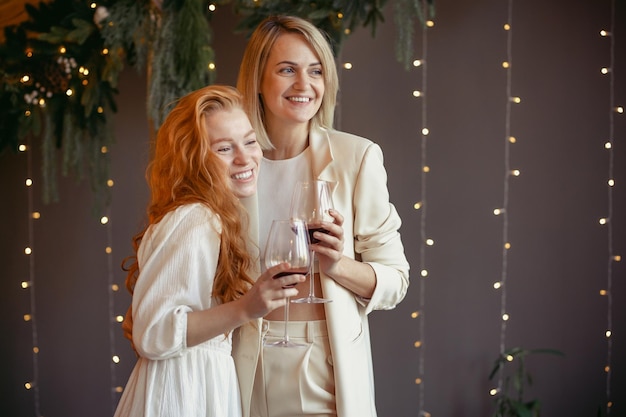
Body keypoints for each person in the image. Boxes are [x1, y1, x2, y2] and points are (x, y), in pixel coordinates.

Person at [233, 15, 411, 417]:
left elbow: (396, 279)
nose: (304, 85)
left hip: (320, 363)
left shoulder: (356, 157)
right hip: (237, 356)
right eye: (286, 70)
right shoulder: (230, 162)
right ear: (258, 79)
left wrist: (337, 264)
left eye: (315, 71)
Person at [114, 85, 306, 417]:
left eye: (248, 141)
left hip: (201, 384)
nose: (245, 158)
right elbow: (153, 334)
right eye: (223, 148)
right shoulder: (196, 218)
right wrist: (247, 308)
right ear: (195, 158)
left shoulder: (208, 217)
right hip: (182, 392)